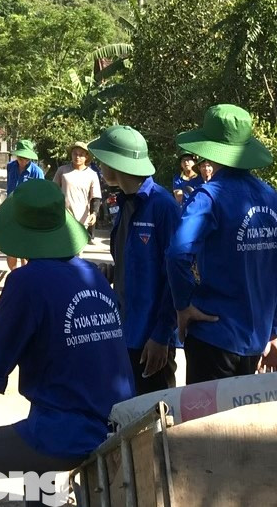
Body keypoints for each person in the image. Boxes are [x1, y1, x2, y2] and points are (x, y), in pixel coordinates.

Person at [0, 180, 134, 505]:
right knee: (36, 473)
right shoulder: (93, 276)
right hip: (117, 425)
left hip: (68, 433)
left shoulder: (26, 282)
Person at [167, 104, 277, 385]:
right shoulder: (272, 198)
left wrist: (183, 305)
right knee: (243, 426)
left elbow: (177, 252)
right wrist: (274, 332)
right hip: (255, 340)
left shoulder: (209, 196)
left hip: (213, 337)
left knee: (206, 427)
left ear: (209, 148)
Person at [88, 126, 182, 395]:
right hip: (123, 330)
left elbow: (177, 276)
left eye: (102, 160)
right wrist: (112, 272)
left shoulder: (162, 206)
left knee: (155, 419)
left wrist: (162, 335)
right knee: (124, 417)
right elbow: (140, 264)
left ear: (116, 164)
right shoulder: (124, 203)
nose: (98, 166)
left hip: (151, 339)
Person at [3, 139, 44, 270]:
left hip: (29, 212)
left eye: (26, 158)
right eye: (21, 158)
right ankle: (14, 274)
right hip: (12, 209)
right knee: (11, 246)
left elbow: (41, 194)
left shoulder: (37, 172)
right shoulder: (10, 167)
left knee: (26, 248)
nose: (23, 161)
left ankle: (25, 274)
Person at [53, 141, 103, 243]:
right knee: (62, 248)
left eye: (81, 155)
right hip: (63, 217)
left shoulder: (92, 174)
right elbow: (53, 191)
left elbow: (96, 197)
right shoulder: (62, 171)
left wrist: (94, 214)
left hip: (81, 220)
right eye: (75, 153)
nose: (77, 157)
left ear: (86, 157)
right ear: (71, 154)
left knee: (77, 251)